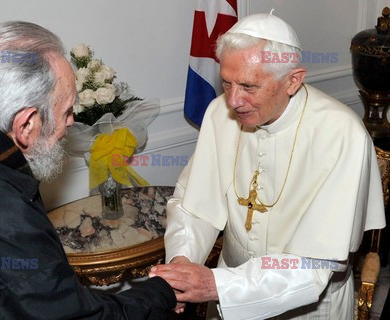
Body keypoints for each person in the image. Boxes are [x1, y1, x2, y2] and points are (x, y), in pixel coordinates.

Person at [0, 21, 176, 319]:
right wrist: (162, 292)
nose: (71, 123)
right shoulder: (1, 219)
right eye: (66, 111)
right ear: (26, 125)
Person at [149, 12, 386, 319]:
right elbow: (194, 205)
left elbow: (313, 267)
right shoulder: (219, 113)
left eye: (248, 86)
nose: (233, 100)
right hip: (226, 298)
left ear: (293, 80)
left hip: (308, 307)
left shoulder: (341, 133)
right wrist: (183, 261)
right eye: (226, 83)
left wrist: (217, 286)